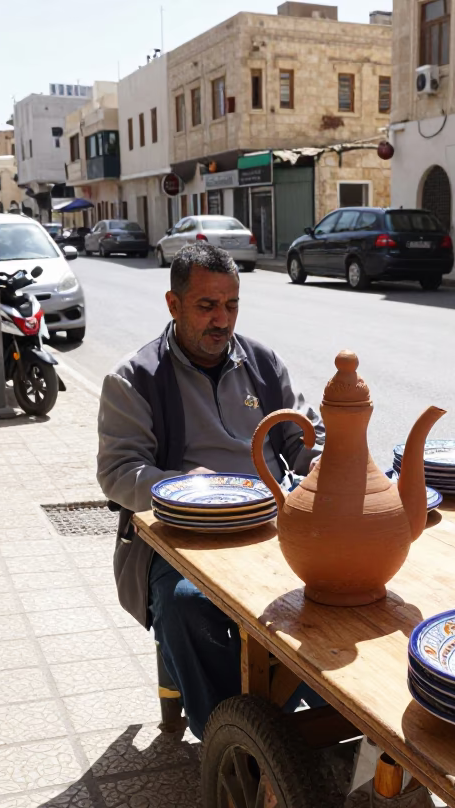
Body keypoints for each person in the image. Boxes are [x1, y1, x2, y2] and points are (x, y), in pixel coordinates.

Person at [97, 241, 324, 739]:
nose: (222, 320)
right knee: (185, 602)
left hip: (271, 524)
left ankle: (311, 715)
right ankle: (231, 736)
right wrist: (182, 488)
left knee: (335, 586)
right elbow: (117, 471)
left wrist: (324, 466)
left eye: (231, 305)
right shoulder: (135, 378)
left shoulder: (263, 364)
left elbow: (306, 437)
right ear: (173, 304)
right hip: (180, 538)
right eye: (206, 306)